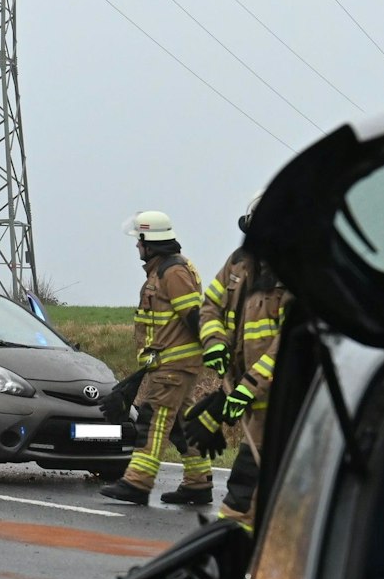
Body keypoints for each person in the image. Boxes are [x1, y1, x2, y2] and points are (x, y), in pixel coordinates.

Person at [101, 210, 214, 506]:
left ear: (148, 242)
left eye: (138, 241)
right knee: (184, 424)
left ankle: (137, 483)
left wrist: (215, 349)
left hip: (173, 365)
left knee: (152, 421)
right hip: (170, 364)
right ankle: (198, 484)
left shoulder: (173, 272)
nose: (136, 248)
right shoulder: (163, 269)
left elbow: (193, 316)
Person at [199, 195, 289, 524]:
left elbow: (289, 344)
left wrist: (249, 386)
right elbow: (210, 305)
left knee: (245, 487)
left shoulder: (297, 271)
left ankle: (232, 545)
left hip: (283, 399)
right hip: (247, 393)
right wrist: (215, 343)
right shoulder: (238, 263)